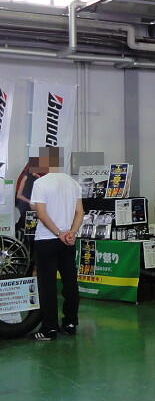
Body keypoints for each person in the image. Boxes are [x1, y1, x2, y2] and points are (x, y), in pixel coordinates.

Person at [29, 146, 83, 341]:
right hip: (67, 240)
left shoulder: (41, 183)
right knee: (70, 282)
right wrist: (71, 233)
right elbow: (80, 212)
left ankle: (49, 328)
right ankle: (70, 323)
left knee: (47, 285)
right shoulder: (73, 183)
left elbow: (42, 214)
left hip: (47, 239)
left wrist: (58, 233)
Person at [15, 159, 41, 230]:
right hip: (24, 204)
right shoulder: (25, 177)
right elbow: (18, 195)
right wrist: (29, 201)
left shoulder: (38, 178)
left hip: (32, 206)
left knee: (31, 227)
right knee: (26, 223)